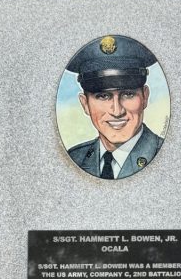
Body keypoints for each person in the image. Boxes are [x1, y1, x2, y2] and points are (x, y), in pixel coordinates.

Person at [66, 35, 164, 180]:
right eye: (103, 96)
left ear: (145, 97)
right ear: (85, 104)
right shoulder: (76, 158)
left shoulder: (162, 152)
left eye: (128, 94)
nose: (117, 111)